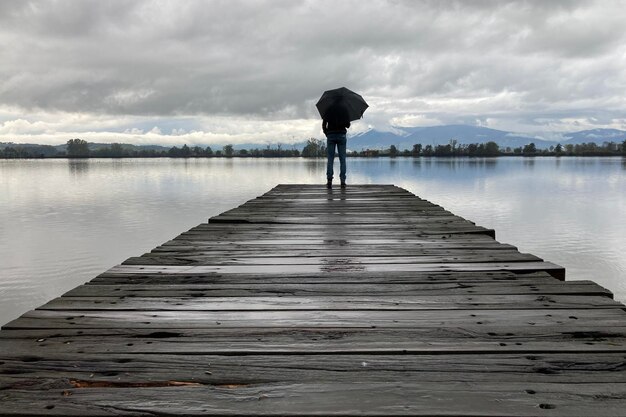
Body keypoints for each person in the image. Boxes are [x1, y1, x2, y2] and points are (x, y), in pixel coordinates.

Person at [322, 96, 350, 188]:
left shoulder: (328, 109)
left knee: (330, 159)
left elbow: (324, 123)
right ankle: (342, 181)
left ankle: (329, 180)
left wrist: (326, 132)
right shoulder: (345, 109)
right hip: (341, 135)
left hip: (331, 135)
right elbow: (348, 125)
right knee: (343, 159)